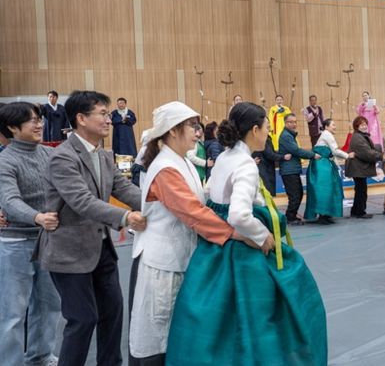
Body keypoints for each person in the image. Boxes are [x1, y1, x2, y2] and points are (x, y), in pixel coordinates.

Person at [166, 102, 328, 366]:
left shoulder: (224, 158)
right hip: (243, 251)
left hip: (213, 250)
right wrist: (262, 235)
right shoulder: (246, 164)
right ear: (255, 130)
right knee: (268, 312)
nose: (268, 134)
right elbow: (239, 215)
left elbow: (209, 193)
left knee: (221, 321)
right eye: (267, 128)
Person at [129, 101, 252, 365]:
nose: (198, 132)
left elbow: (201, 201)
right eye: (192, 126)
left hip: (179, 257)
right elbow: (192, 211)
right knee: (158, 336)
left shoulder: (181, 161)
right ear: (173, 131)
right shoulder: (165, 168)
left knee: (173, 334)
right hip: (161, 263)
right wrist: (237, 233)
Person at [36, 90, 146, 366]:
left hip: (101, 248)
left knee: (113, 314)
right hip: (69, 252)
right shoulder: (62, 157)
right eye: (103, 114)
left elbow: (125, 189)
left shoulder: (104, 155)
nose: (109, 120)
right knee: (82, 320)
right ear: (81, 119)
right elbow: (82, 201)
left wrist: (158, 204)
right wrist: (126, 217)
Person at [0, 102, 61, 366]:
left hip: (48, 240)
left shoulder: (50, 154)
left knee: (49, 304)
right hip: (15, 243)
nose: (39, 125)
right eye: (32, 121)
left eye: (39, 119)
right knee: (13, 312)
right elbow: (9, 200)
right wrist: (37, 217)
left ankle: (40, 356)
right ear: (13, 128)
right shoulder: (5, 161)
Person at [304, 118, 353, 224]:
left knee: (325, 189)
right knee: (324, 189)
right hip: (322, 165)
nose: (335, 127)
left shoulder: (325, 134)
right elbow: (335, 151)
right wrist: (348, 156)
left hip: (322, 164)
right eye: (333, 125)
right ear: (326, 127)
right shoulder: (327, 134)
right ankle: (323, 215)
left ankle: (325, 214)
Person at [278, 113, 320, 225]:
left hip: (292, 169)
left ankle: (292, 215)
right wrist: (312, 155)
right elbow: (296, 150)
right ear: (285, 123)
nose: (294, 124)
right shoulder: (286, 136)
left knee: (298, 193)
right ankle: (290, 217)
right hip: (289, 170)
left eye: (295, 122)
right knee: (295, 195)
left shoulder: (289, 135)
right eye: (291, 122)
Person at [345, 116, 383, 219]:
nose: (364, 126)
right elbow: (366, 153)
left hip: (358, 167)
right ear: (356, 126)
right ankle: (360, 212)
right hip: (357, 168)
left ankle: (355, 211)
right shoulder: (358, 137)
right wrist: (381, 156)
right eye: (361, 125)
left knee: (359, 190)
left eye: (365, 124)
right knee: (361, 191)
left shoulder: (360, 136)